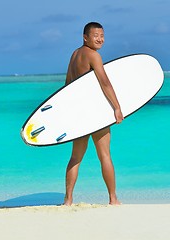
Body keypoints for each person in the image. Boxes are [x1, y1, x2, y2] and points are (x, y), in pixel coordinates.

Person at [63, 22, 123, 206]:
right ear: (85, 37)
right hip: (95, 114)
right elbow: (105, 83)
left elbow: (67, 85)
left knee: (75, 157)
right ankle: (113, 199)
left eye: (102, 35)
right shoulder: (93, 56)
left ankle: (68, 200)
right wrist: (117, 107)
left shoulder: (74, 55)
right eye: (96, 35)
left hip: (79, 114)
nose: (100, 39)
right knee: (104, 155)